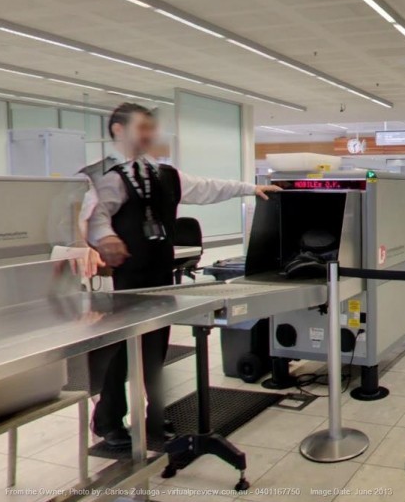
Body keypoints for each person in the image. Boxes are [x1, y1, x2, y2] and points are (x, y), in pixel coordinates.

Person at [81, 103, 281, 448]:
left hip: (160, 272)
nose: (148, 135)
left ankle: (154, 417)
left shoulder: (163, 174)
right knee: (121, 352)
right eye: (141, 127)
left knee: (155, 350)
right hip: (125, 280)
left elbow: (207, 187)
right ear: (118, 130)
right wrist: (105, 238)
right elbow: (93, 215)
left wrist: (250, 189)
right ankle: (108, 421)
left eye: (150, 128)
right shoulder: (103, 176)